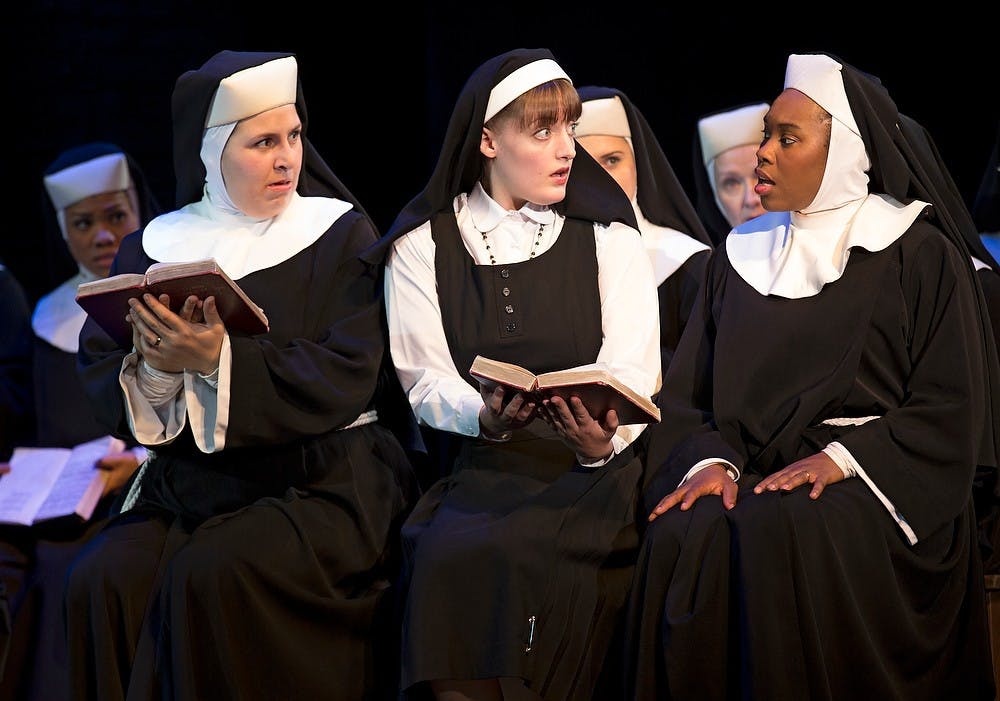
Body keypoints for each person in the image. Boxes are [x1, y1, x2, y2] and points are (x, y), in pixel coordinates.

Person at [621, 52, 999, 700]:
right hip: (756, 474)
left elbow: (949, 408)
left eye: (785, 138)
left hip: (881, 485)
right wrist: (710, 463)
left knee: (781, 525)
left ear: (846, 151)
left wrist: (841, 460)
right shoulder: (733, 261)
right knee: (682, 530)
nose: (762, 152)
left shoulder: (917, 252)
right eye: (767, 132)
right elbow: (690, 398)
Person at [64, 50, 420, 701]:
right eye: (262, 143)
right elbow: (102, 367)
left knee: (214, 572)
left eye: (293, 136)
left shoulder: (338, 233)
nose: (286, 157)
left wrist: (216, 360)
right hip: (192, 483)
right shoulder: (156, 245)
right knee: (102, 576)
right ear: (212, 153)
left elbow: (351, 370)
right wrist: (155, 363)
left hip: (323, 478)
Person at [361, 48, 661, 700]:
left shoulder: (610, 235)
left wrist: (601, 442)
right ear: (489, 139)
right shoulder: (423, 244)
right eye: (543, 130)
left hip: (590, 470)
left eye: (571, 130)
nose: (566, 150)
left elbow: (636, 366)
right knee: (447, 561)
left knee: (529, 564)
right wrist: (485, 416)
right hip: (482, 470)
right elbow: (424, 379)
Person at [0, 142, 161, 701]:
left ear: (139, 213)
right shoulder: (45, 316)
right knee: (45, 567)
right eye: (83, 223)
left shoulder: (175, 297)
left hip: (147, 496)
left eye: (115, 217)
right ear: (63, 231)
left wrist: (137, 462)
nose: (100, 236)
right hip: (62, 513)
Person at [575, 86, 712, 375]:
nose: (601, 179)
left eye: (612, 160)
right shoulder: (547, 259)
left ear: (638, 163)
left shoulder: (686, 263)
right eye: (584, 165)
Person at [692, 102, 770, 245]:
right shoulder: (704, 266)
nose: (751, 200)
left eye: (761, 177)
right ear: (713, 194)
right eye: (731, 183)